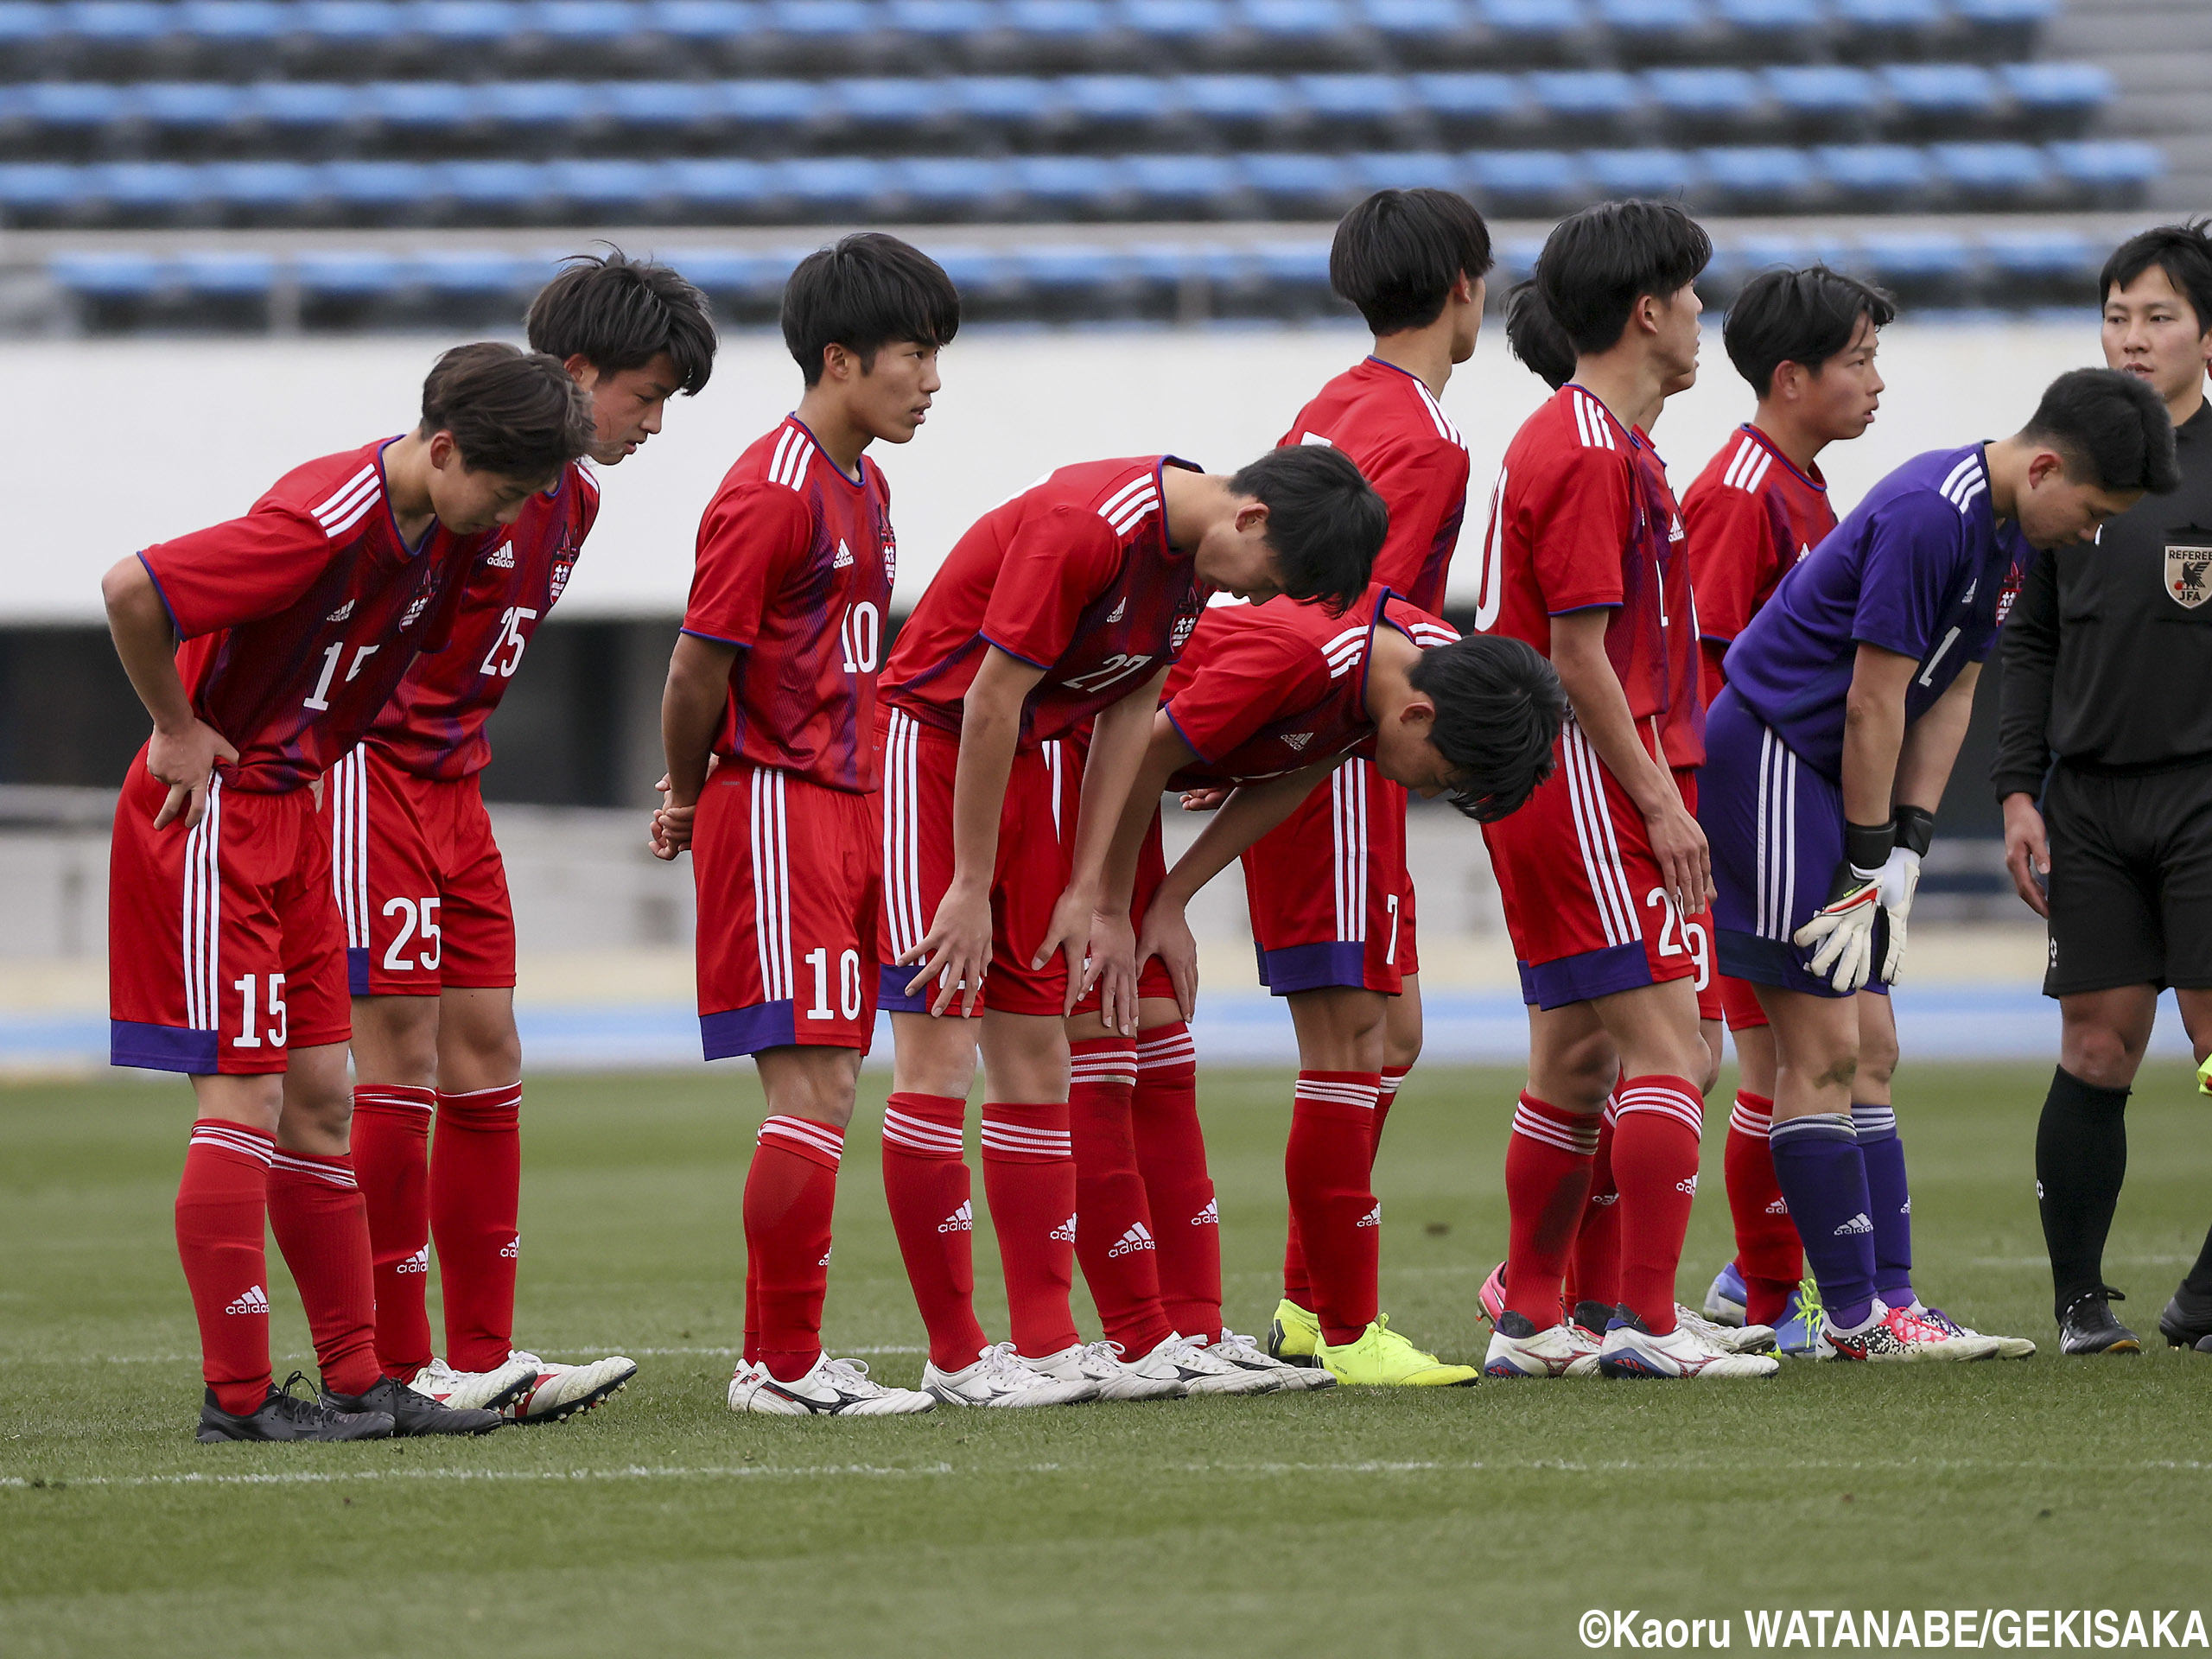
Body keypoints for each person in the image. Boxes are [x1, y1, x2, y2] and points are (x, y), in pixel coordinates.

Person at [102, 343, 595, 1441]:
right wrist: (176, 727)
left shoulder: (451, 535)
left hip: (303, 819)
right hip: (215, 814)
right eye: (504, 491)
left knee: (326, 1102)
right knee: (245, 1103)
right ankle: (235, 1402)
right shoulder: (327, 515)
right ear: (447, 447)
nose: (510, 518)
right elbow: (133, 588)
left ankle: (361, 1382)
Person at [875, 444, 1382, 1404]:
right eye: (1270, 581)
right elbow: (986, 699)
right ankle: (953, 1358)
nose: (1253, 600)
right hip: (933, 755)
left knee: (1036, 1055)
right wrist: (972, 884)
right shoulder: (1089, 526)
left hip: (1027, 771)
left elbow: (1127, 712)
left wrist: (1091, 892)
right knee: (938, 1053)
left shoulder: (1190, 567)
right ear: (1252, 520)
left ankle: (1045, 1346)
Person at [1707, 366, 2176, 1361]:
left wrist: (1907, 850)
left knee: (1872, 1048)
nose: (2092, 534)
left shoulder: (2006, 531)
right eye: (2092, 511)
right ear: (2044, 466)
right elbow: (1872, 701)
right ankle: (1850, 1320)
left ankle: (1891, 1302)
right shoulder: (1933, 512)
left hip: (1842, 785)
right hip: (1781, 761)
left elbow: (1952, 691)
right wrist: (1868, 857)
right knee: (1821, 1048)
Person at [340, 250, 716, 1421]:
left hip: (458, 795)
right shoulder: (444, 485)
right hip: (370, 782)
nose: (652, 423)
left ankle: (488, 1354)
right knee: (396, 1059)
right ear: (574, 371)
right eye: (643, 395)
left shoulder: (578, 503)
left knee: (491, 1056)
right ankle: (400, 1365)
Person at [1088, 583, 1563, 1386]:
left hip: (1114, 778)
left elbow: (1293, 772)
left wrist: (1172, 895)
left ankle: (1197, 1335)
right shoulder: (1325, 660)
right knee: (1098, 1045)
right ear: (1418, 717)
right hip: (1077, 771)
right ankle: (1316, 1328)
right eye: (1440, 773)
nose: (1423, 791)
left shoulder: (1377, 688)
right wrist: (1104, 902)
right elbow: (1143, 747)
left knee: (1161, 1043)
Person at [1468, 200, 1775, 1381]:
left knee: (1574, 1058)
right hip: (1589, 775)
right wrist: (1658, 798)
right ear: (1647, 311)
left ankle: (1534, 1317)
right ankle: (1647, 1321)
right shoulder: (1590, 450)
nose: (1704, 314)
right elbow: (1576, 655)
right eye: (1692, 295)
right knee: (1669, 1046)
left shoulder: (1600, 440)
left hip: (1558, 780)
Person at [652, 233, 957, 1417]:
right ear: (840, 360)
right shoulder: (772, 490)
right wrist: (688, 792)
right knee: (816, 1090)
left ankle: (777, 1356)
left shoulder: (866, 487)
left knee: (833, 1083)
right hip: (776, 805)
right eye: (914, 355)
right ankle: (779, 1368)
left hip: (843, 807)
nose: (931, 382)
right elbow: (693, 670)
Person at [1242, 188, 1493, 1376]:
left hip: (1321, 741)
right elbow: (1355, 619)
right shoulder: (1428, 441)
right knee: (1352, 1044)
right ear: (1463, 288)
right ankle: (1339, 1324)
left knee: (1393, 1033)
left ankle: (1307, 1303)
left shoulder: (1333, 404)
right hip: (1336, 745)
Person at [1993, 222, 2212, 1356]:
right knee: (2097, 1047)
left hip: (2204, 797)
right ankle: (2081, 1303)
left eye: (2159, 315)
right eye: (2118, 315)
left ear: (2206, 335)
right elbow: (2028, 642)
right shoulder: (2064, 462)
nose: (2134, 336)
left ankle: (2211, 1290)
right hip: (2088, 802)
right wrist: (2017, 789)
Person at [1674, 265, 1895, 1353]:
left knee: (1823, 1054)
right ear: (1791, 376)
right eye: (1857, 361)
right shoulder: (1737, 491)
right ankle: (1772, 1297)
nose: (1876, 383)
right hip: (1753, 812)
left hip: (1797, 805)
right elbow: (1706, 676)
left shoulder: (1805, 486)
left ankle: (1766, 1286)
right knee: (1781, 1060)